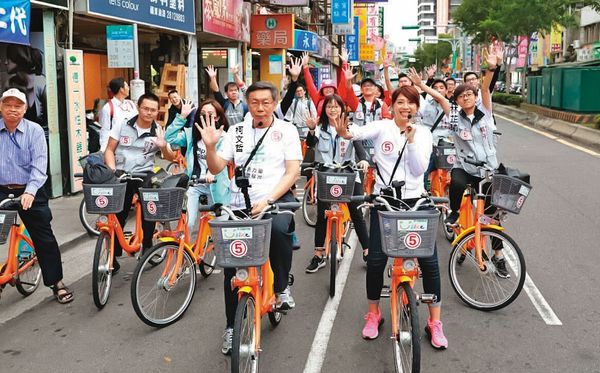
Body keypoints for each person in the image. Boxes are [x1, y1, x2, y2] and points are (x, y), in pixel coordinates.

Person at [332, 78, 450, 349]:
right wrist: (345, 132)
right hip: (386, 203)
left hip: (416, 202)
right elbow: (357, 132)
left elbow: (420, 170)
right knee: (375, 261)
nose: (405, 106)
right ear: (392, 105)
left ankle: (435, 322)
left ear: (416, 108)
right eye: (400, 102)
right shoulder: (382, 127)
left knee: (430, 263)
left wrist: (409, 142)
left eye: (410, 102)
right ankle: (374, 313)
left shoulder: (423, 134)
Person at [198, 81, 302, 355]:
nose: (260, 107)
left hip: (275, 199)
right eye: (254, 102)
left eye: (265, 102)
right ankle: (231, 328)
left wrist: (269, 199)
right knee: (233, 264)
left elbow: (292, 172)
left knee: (280, 229)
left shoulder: (286, 130)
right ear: (248, 103)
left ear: (275, 103)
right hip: (239, 204)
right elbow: (218, 165)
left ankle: (281, 288)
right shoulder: (237, 131)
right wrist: (210, 147)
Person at [0, 88, 73, 304]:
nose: (13, 110)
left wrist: (30, 192)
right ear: (1, 107)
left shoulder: (34, 131)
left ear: (25, 108)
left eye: (18, 106)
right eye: (8, 105)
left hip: (31, 189)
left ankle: (56, 282)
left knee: (44, 237)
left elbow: (40, 165)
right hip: (3, 189)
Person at [443, 46, 509, 278]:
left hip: (488, 170)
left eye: (469, 94)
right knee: (456, 180)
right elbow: (442, 99)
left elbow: (485, 87)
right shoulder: (455, 119)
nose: (467, 97)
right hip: (467, 168)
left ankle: (499, 256)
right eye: (462, 96)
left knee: (492, 214)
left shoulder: (486, 111)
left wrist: (492, 67)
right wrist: (424, 86)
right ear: (458, 101)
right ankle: (452, 213)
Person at [104, 93, 179, 272]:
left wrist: (162, 146)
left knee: (150, 207)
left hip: (145, 173)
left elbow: (171, 157)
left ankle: (147, 244)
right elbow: (109, 150)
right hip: (122, 172)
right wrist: (114, 170)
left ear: (157, 112)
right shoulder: (122, 123)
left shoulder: (158, 130)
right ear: (139, 108)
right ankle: (113, 256)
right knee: (118, 214)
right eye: (146, 108)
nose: (149, 113)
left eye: (153, 110)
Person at [304, 94, 371, 271]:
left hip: (348, 174)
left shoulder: (350, 127)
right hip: (326, 174)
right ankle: (318, 255)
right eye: (329, 106)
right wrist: (311, 130)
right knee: (322, 214)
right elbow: (311, 145)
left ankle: (367, 250)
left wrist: (363, 160)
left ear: (342, 109)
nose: (333, 109)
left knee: (356, 212)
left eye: (336, 106)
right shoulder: (319, 128)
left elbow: (359, 148)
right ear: (324, 109)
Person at [165, 99, 230, 236]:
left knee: (221, 225)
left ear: (218, 117)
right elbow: (169, 137)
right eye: (203, 113)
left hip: (217, 186)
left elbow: (226, 159)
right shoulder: (190, 135)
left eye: (211, 114)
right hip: (195, 184)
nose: (206, 117)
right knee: (186, 222)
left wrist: (213, 173)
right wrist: (182, 116)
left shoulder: (224, 137)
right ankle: (185, 254)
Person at [98, 77, 138, 151]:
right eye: (127, 86)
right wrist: (104, 150)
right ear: (121, 89)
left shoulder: (131, 104)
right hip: (117, 147)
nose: (129, 88)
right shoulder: (108, 108)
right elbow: (105, 130)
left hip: (133, 144)